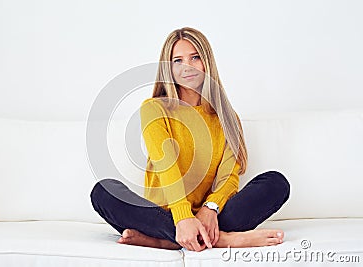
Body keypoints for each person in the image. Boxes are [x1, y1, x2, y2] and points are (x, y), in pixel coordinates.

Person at [90, 27, 290, 252]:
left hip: (209, 216)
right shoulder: (154, 108)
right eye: (178, 60)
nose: (187, 66)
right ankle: (221, 239)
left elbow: (228, 177)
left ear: (206, 62)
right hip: (163, 214)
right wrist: (183, 216)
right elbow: (166, 164)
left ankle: (166, 241)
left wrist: (210, 208)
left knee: (276, 183)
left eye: (195, 57)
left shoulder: (227, 117)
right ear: (169, 68)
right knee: (104, 191)